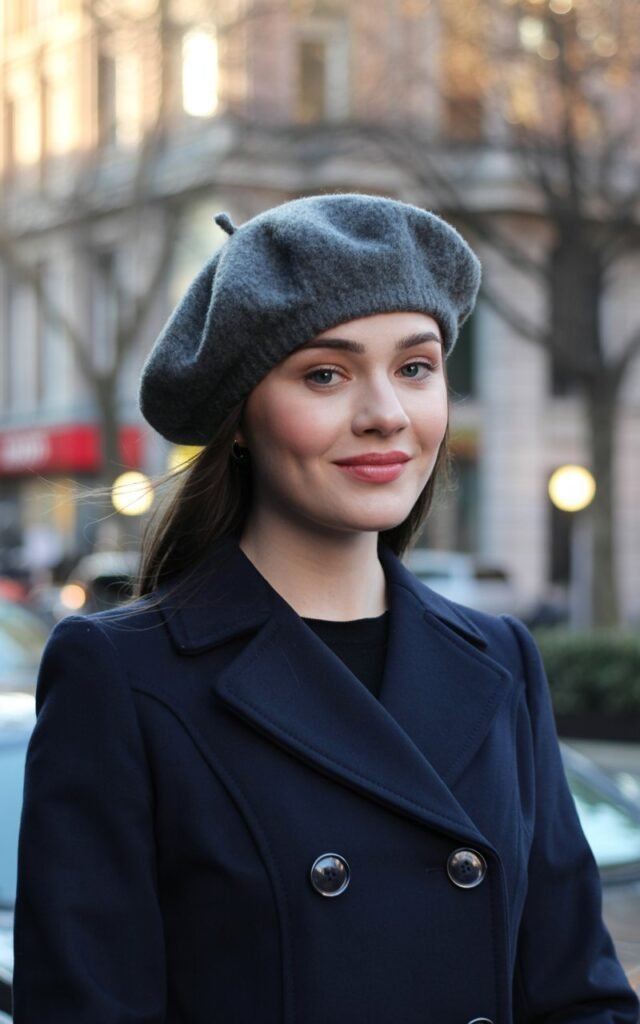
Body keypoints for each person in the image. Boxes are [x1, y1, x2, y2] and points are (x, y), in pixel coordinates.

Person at [14, 194, 638, 1024]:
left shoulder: (501, 659)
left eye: (416, 367)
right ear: (240, 420)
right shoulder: (123, 676)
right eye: (325, 374)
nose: (386, 413)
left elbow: (578, 997)